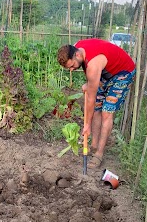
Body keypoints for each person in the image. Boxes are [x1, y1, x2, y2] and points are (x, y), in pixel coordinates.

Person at [57, 39, 136, 169]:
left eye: (72, 66)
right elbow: (93, 101)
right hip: (105, 73)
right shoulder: (76, 47)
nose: (71, 70)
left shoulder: (93, 65)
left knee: (106, 112)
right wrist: (89, 84)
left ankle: (99, 154)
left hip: (122, 73)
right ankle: (93, 146)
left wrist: (87, 125)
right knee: (98, 109)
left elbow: (90, 100)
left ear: (77, 55)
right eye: (68, 68)